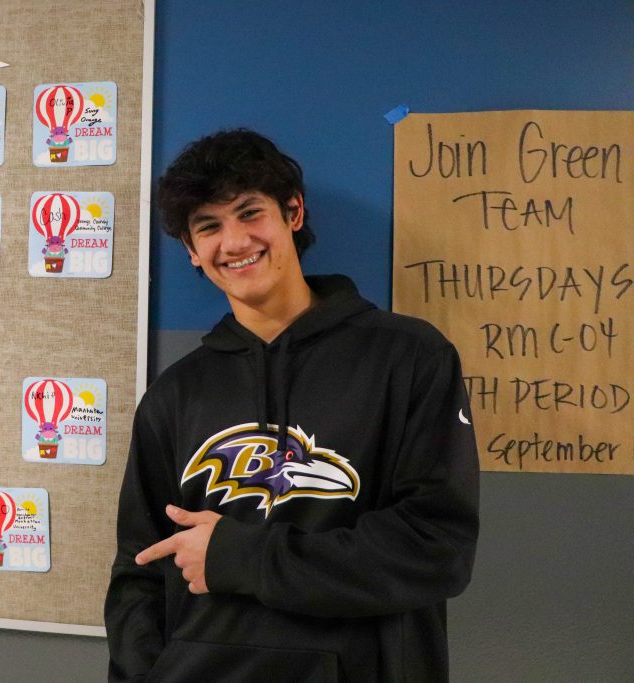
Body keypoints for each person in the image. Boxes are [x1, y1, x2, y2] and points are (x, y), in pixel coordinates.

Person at [104, 129, 479, 682]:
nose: (233, 242)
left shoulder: (409, 358)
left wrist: (242, 557)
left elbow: (434, 547)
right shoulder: (175, 395)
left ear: (293, 213)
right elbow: (138, 572)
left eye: (249, 213)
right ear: (191, 251)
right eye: (208, 227)